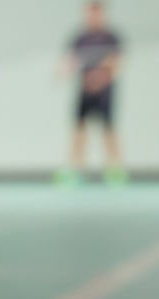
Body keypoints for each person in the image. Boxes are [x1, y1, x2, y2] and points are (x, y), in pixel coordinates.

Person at [57, 2, 127, 186]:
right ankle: (75, 170)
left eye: (97, 13)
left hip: (105, 91)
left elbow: (117, 62)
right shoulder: (80, 38)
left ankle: (115, 171)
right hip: (84, 90)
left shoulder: (111, 37)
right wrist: (64, 71)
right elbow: (70, 60)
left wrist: (100, 78)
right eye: (90, 13)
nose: (93, 17)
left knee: (108, 129)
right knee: (79, 129)